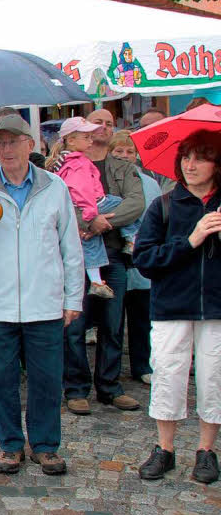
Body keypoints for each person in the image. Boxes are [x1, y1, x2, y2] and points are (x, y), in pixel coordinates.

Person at [0, 115, 84, 476]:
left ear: (31, 144)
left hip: (44, 302)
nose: (6, 149)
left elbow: (70, 247)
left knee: (46, 378)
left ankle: (45, 445)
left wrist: (73, 297)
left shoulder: (54, 187)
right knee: (1, 380)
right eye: (0, 142)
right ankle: (10, 444)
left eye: (14, 141)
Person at [134, 129, 221, 484]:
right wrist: (191, 239)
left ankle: (206, 450)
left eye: (200, 157)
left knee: (213, 378)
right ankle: (165, 449)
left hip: (217, 309)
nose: (191, 165)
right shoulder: (165, 205)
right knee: (167, 375)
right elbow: (145, 259)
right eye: (186, 157)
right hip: (171, 306)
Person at [61, 108, 144, 416]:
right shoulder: (67, 163)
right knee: (75, 326)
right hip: (78, 255)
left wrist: (99, 222)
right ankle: (77, 388)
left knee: (112, 325)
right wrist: (87, 225)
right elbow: (62, 203)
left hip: (114, 254)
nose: (103, 128)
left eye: (109, 124)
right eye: (97, 124)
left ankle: (109, 386)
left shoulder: (122, 166)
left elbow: (136, 203)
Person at [50, 117, 141, 298]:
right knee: (118, 203)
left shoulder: (66, 161)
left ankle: (96, 281)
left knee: (90, 242)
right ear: (71, 140)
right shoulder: (76, 162)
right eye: (86, 137)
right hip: (92, 205)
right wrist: (91, 218)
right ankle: (131, 239)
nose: (90, 141)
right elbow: (80, 190)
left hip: (84, 213)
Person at [109, 132, 162, 385]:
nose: (125, 156)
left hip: (140, 259)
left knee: (142, 318)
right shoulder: (103, 179)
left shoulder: (148, 182)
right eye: (119, 151)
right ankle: (111, 369)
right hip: (112, 257)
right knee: (113, 321)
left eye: (130, 152)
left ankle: (143, 364)